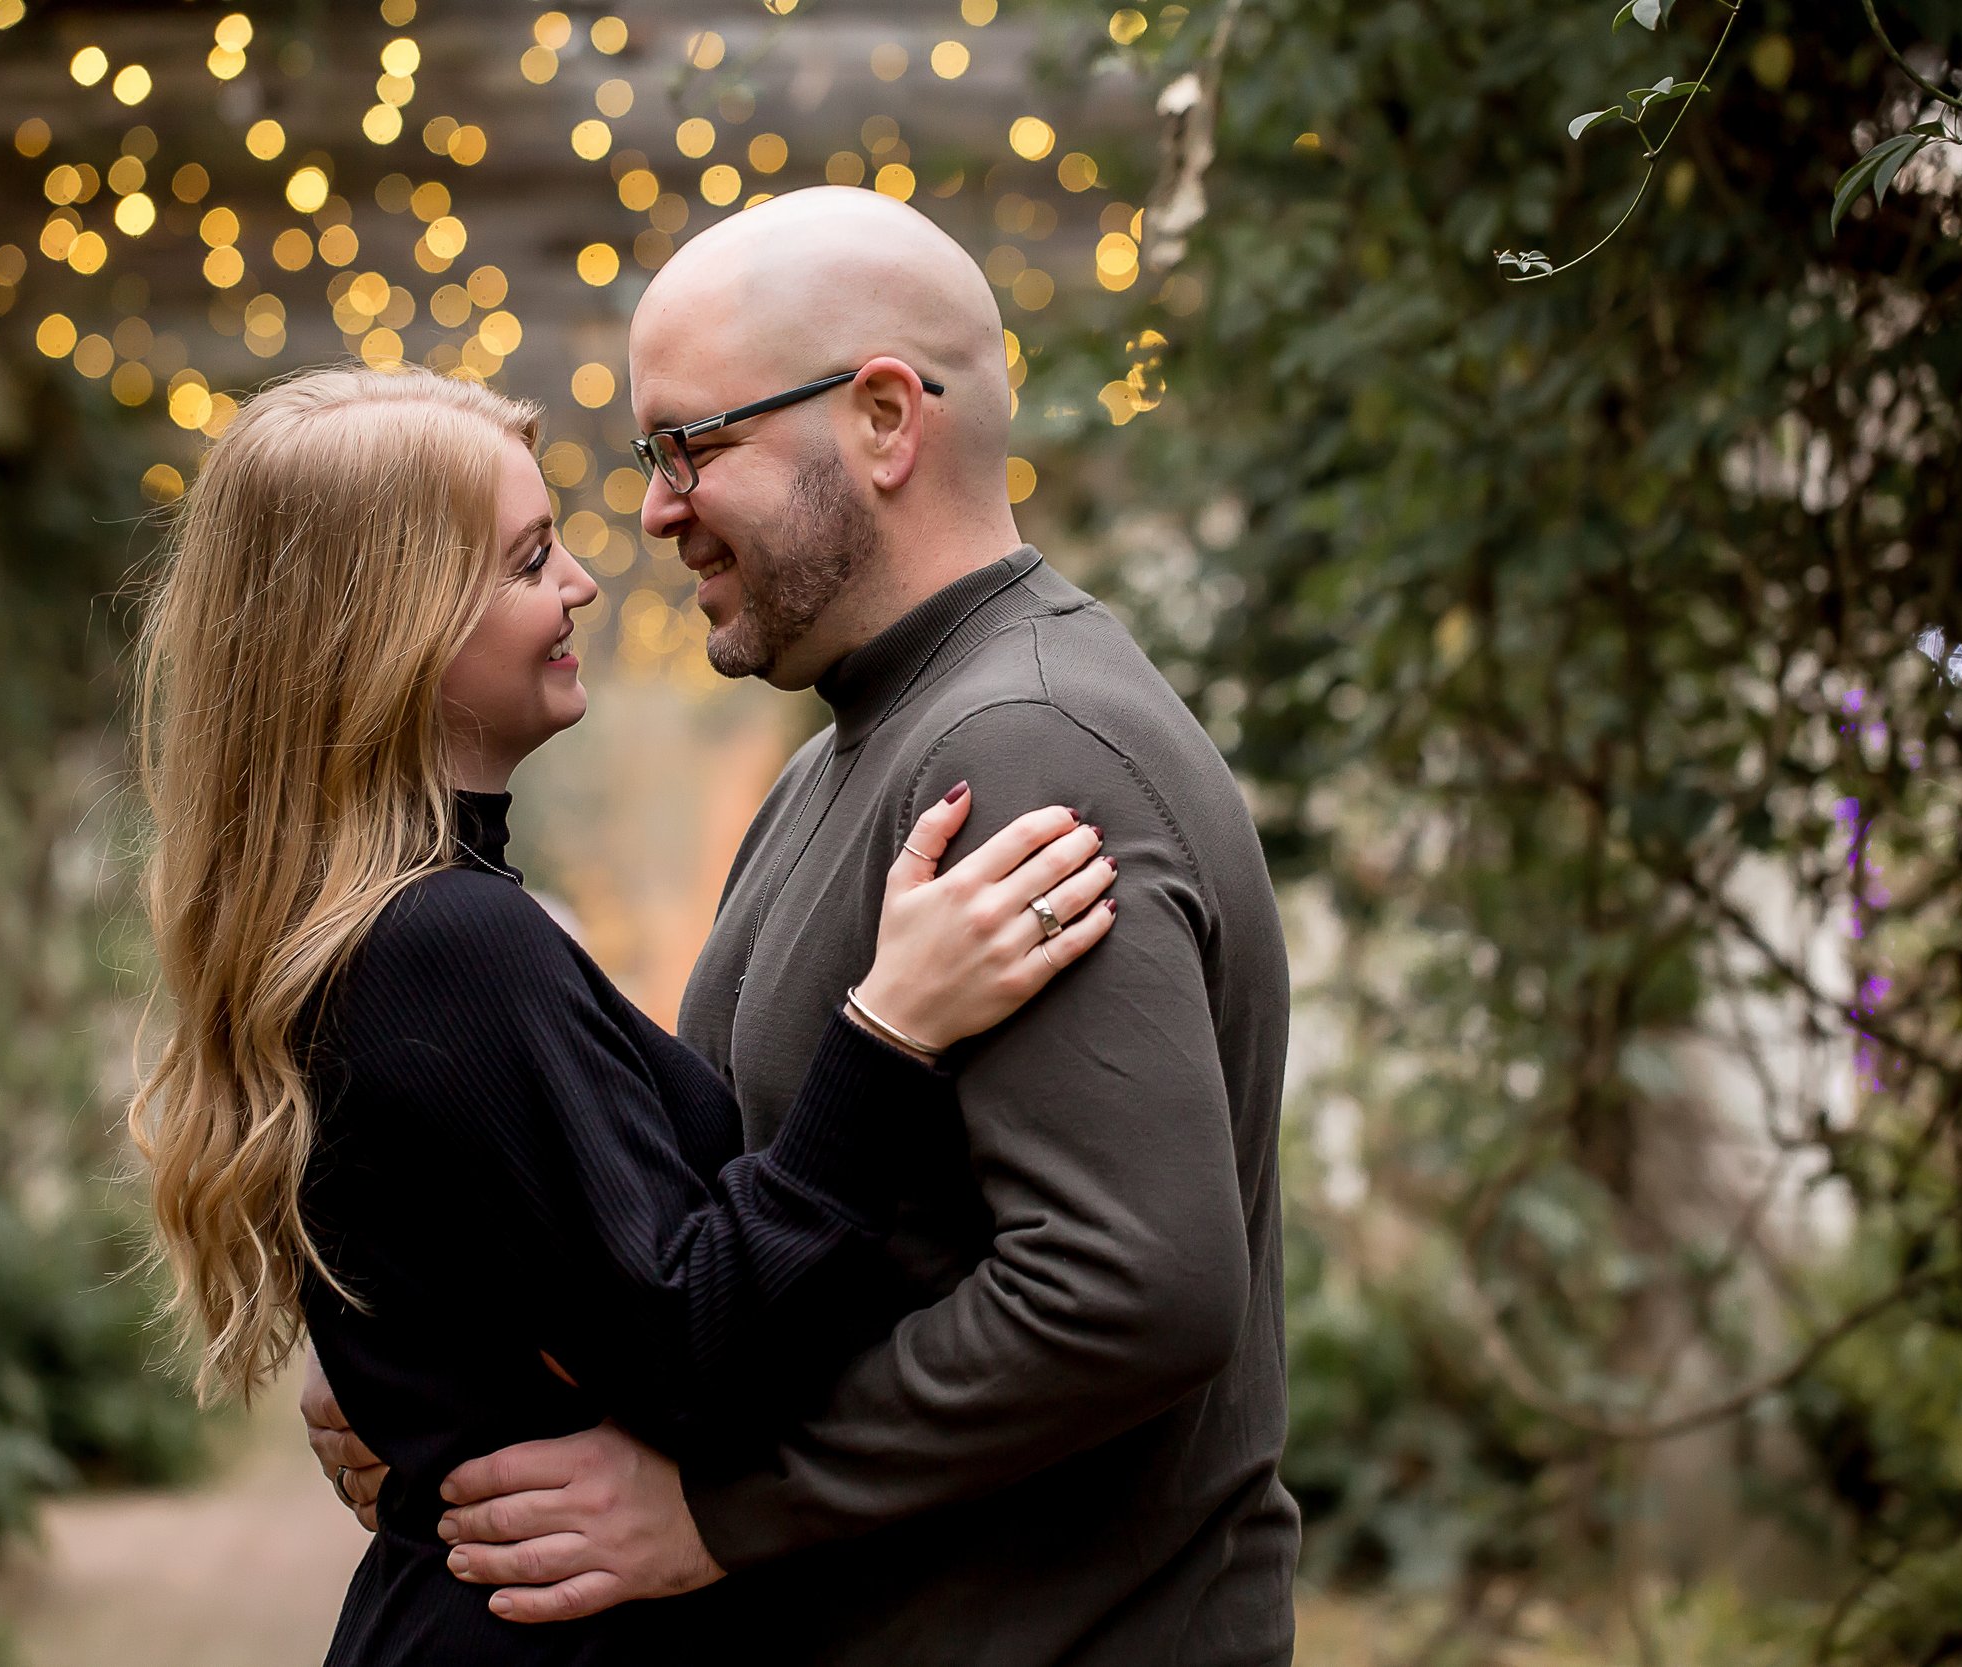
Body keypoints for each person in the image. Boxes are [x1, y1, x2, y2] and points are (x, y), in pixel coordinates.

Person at [310, 186, 1301, 1666]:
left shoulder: (1027, 749)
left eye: (694, 446)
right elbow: (718, 1225)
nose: (651, 511)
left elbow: (1127, 1291)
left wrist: (719, 1510)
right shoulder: (840, 764)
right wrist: (455, 1367)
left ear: (887, 420)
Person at [128, 365, 1122, 1667]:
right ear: (391, 626)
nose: (583, 586)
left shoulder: (406, 920)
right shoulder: (451, 941)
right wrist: (891, 1032)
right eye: (529, 559)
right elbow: (698, 1347)